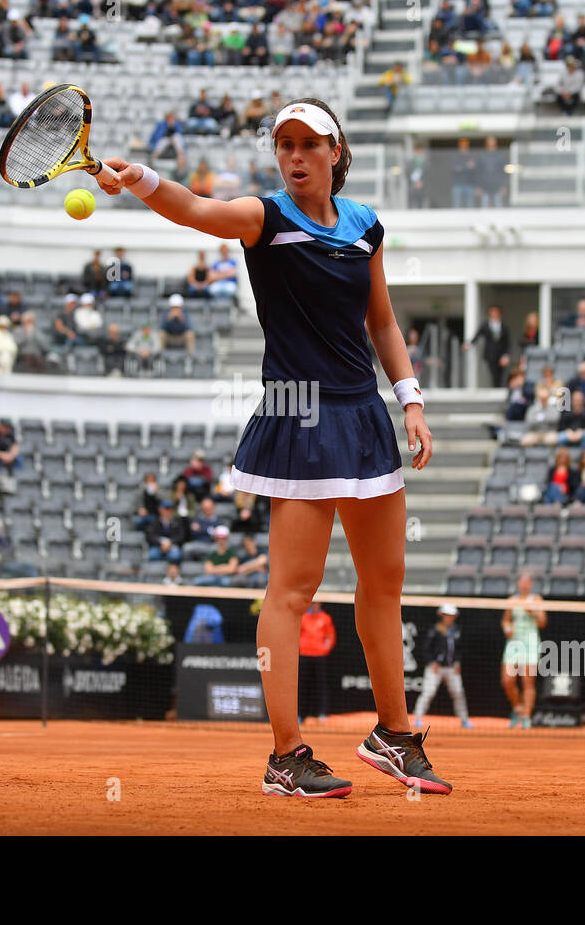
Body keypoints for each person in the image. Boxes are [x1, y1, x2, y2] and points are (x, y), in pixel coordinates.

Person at [95, 96, 449, 797]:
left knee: (384, 586)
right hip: (302, 418)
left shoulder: (365, 226)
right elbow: (196, 209)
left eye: (308, 144)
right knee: (291, 592)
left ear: (334, 154)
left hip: (365, 418)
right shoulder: (264, 216)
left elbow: (381, 322)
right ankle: (286, 755)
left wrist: (411, 400)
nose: (293, 156)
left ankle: (393, 734)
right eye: (284, 144)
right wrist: (138, 176)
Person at [412, 604, 472, 729]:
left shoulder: (457, 631)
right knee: (428, 692)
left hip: (451, 668)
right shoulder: (434, 630)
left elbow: (460, 649)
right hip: (436, 668)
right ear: (442, 616)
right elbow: (425, 649)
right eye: (446, 615)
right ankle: (417, 718)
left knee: (458, 692)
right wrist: (431, 662)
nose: (448, 618)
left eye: (451, 616)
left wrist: (457, 662)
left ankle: (464, 720)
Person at [501, 573, 546, 729]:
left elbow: (542, 622)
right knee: (507, 681)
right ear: (518, 583)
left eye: (527, 582)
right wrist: (507, 628)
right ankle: (518, 708)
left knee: (527, 682)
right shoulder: (512, 600)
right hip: (513, 644)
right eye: (522, 582)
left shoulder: (536, 600)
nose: (525, 585)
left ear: (531, 584)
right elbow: (506, 619)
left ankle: (527, 716)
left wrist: (532, 612)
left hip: (530, 644)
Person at [298, 601, 335, 721]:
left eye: (316, 603)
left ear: (319, 604)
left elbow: (330, 636)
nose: (314, 605)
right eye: (312, 603)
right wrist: (300, 647)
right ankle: (300, 715)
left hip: (320, 656)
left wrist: (325, 649)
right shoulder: (303, 617)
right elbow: (297, 635)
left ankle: (322, 713)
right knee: (302, 686)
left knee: (321, 685)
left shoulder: (325, 618)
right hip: (304, 655)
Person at [465, 304, 510, 388]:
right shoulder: (485, 325)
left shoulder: (504, 327)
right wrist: (469, 344)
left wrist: (506, 355)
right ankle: (495, 387)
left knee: (500, 373)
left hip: (500, 353)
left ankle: (498, 387)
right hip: (490, 353)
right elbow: (477, 336)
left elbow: (507, 342)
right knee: (493, 371)